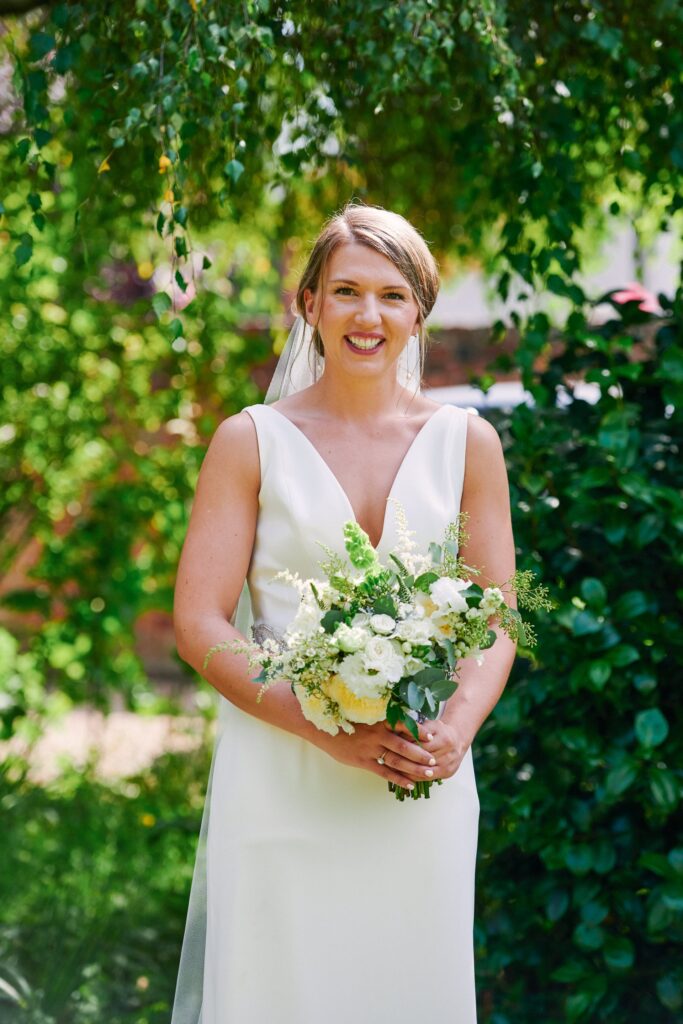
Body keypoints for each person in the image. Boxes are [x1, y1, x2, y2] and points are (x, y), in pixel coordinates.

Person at [171, 202, 517, 1023]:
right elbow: (199, 623)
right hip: (280, 768)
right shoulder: (250, 440)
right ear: (309, 304)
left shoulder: (467, 443)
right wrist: (321, 725)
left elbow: (496, 611)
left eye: (392, 295)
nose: (369, 316)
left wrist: (455, 729)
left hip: (415, 774)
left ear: (418, 313)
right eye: (347, 291)